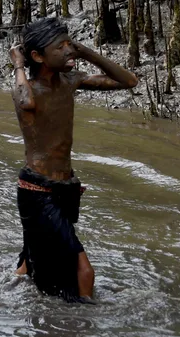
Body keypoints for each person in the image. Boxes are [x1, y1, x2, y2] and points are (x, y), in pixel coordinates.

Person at [10, 17, 138, 301]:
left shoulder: (71, 81)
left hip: (66, 188)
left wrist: (85, 51)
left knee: (32, 255)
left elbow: (129, 81)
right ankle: (81, 318)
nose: (68, 50)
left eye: (70, 44)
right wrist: (18, 64)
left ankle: (11, 289)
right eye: (61, 47)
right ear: (37, 56)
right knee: (84, 270)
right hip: (37, 191)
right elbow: (25, 102)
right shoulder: (27, 89)